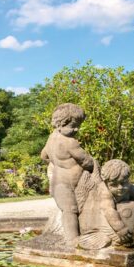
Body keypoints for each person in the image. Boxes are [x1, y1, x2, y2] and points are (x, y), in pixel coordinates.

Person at [40, 103, 94, 246]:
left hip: (58, 182)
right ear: (60, 123)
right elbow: (86, 161)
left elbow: (43, 155)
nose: (77, 129)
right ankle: (72, 240)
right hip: (65, 185)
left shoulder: (52, 137)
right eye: (73, 125)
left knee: (70, 209)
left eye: (78, 125)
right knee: (70, 210)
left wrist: (57, 162)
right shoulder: (70, 142)